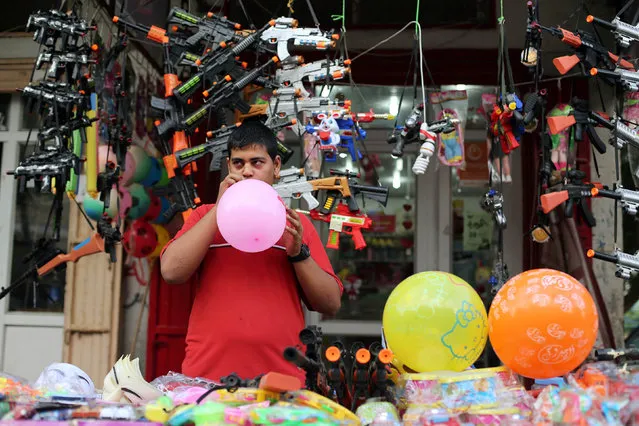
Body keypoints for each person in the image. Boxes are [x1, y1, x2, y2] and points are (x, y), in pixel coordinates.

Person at [160, 120, 343, 384]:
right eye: (238, 163)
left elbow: (330, 303)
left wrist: (298, 254)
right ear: (228, 167)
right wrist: (218, 210)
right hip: (208, 378)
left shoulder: (296, 224)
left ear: (276, 167)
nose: (247, 171)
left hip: (281, 379)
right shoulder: (204, 215)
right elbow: (171, 272)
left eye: (257, 162)